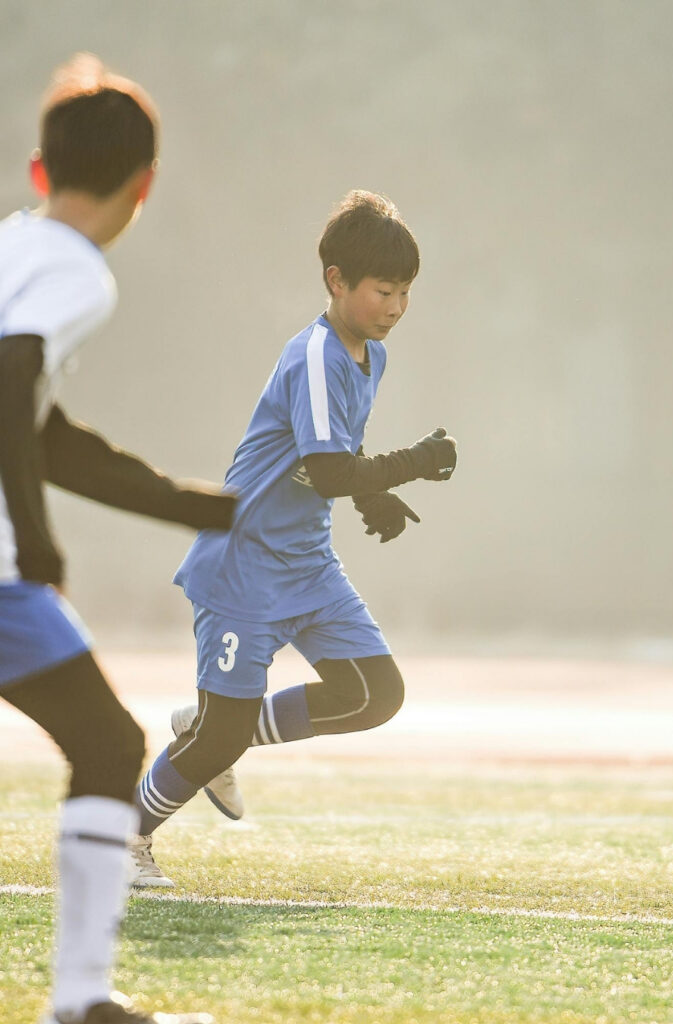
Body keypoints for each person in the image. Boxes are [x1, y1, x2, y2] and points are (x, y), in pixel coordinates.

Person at [130, 190, 457, 886]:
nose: (396, 306)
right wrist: (414, 464)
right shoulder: (312, 354)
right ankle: (124, 839)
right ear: (336, 281)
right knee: (221, 735)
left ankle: (212, 730)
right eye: (383, 291)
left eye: (405, 291)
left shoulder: (370, 356)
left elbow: (339, 451)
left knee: (375, 694)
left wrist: (375, 496)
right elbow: (329, 469)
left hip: (307, 566)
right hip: (243, 566)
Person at [0, 54, 231, 1024]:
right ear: (144, 186)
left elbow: (46, 433)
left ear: (39, 169)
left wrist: (203, 507)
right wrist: (37, 545)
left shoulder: (11, 245)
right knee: (107, 744)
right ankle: (82, 999)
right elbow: (13, 375)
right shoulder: (77, 273)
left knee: (105, 740)